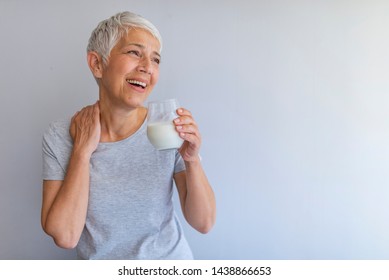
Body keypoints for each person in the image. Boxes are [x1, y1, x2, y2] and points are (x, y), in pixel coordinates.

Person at [41, 11, 216, 260]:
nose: (147, 67)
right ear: (97, 64)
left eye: (155, 59)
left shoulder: (168, 128)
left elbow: (204, 222)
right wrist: (82, 151)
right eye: (135, 52)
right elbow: (65, 236)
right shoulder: (60, 135)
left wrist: (192, 159)